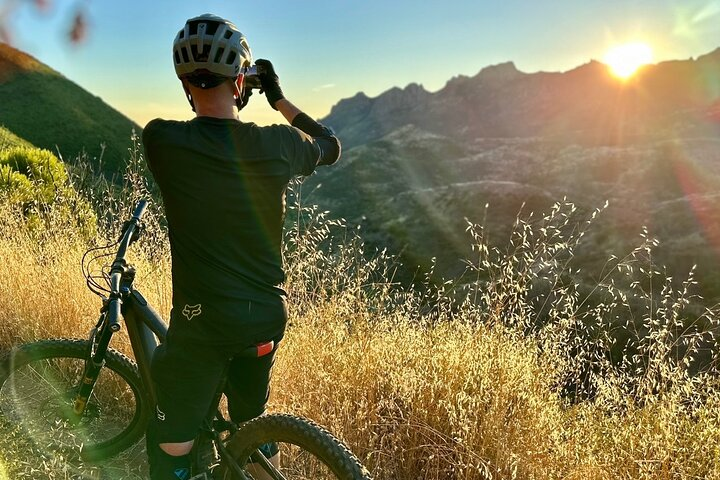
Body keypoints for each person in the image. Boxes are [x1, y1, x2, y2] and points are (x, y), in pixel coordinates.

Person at [142, 13, 341, 480]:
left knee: (172, 443)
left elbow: (208, 131)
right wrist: (276, 97)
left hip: (201, 323)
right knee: (251, 421)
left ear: (186, 86)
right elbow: (329, 145)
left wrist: (233, 92)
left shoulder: (162, 140)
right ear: (239, 83)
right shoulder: (279, 144)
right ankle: (256, 457)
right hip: (266, 318)